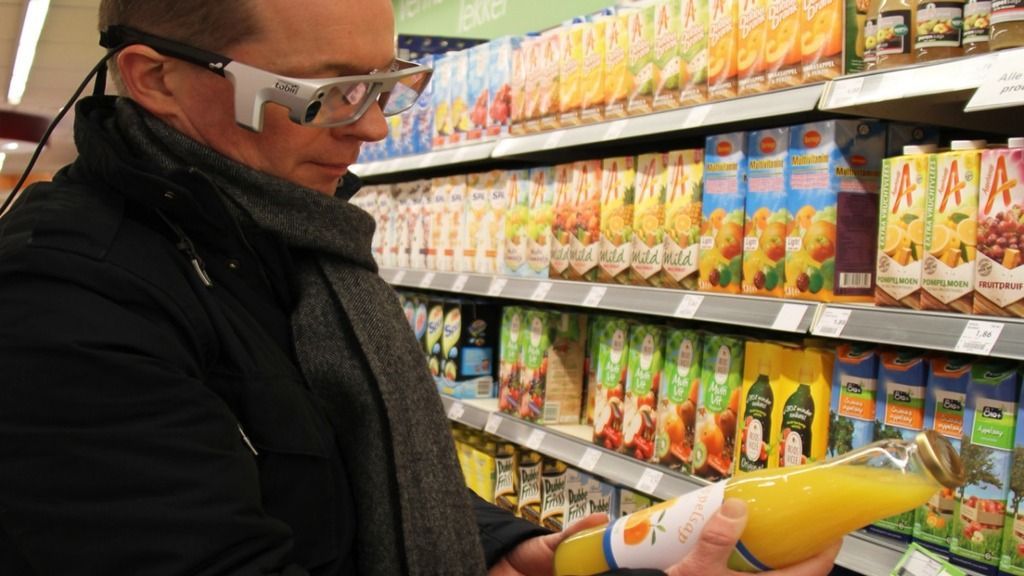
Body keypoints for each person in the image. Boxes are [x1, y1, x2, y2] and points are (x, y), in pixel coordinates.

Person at [0, 1, 841, 574]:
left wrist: (500, 546)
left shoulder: (287, 237)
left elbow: (336, 472)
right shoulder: (63, 302)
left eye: (386, 84)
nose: (368, 125)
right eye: (324, 94)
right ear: (155, 78)